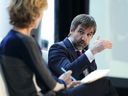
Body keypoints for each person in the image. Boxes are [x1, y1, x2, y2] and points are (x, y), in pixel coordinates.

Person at [0, 0, 81, 96]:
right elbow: (51, 84)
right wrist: (64, 83)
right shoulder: (25, 42)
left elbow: (43, 80)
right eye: (41, 12)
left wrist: (61, 82)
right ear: (35, 14)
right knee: (101, 84)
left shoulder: (7, 39)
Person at [48, 14, 119, 96]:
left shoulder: (87, 54)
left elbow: (93, 81)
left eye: (89, 34)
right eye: (81, 32)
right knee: (106, 83)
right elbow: (68, 73)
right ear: (71, 30)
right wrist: (93, 51)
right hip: (64, 92)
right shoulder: (57, 48)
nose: (84, 38)